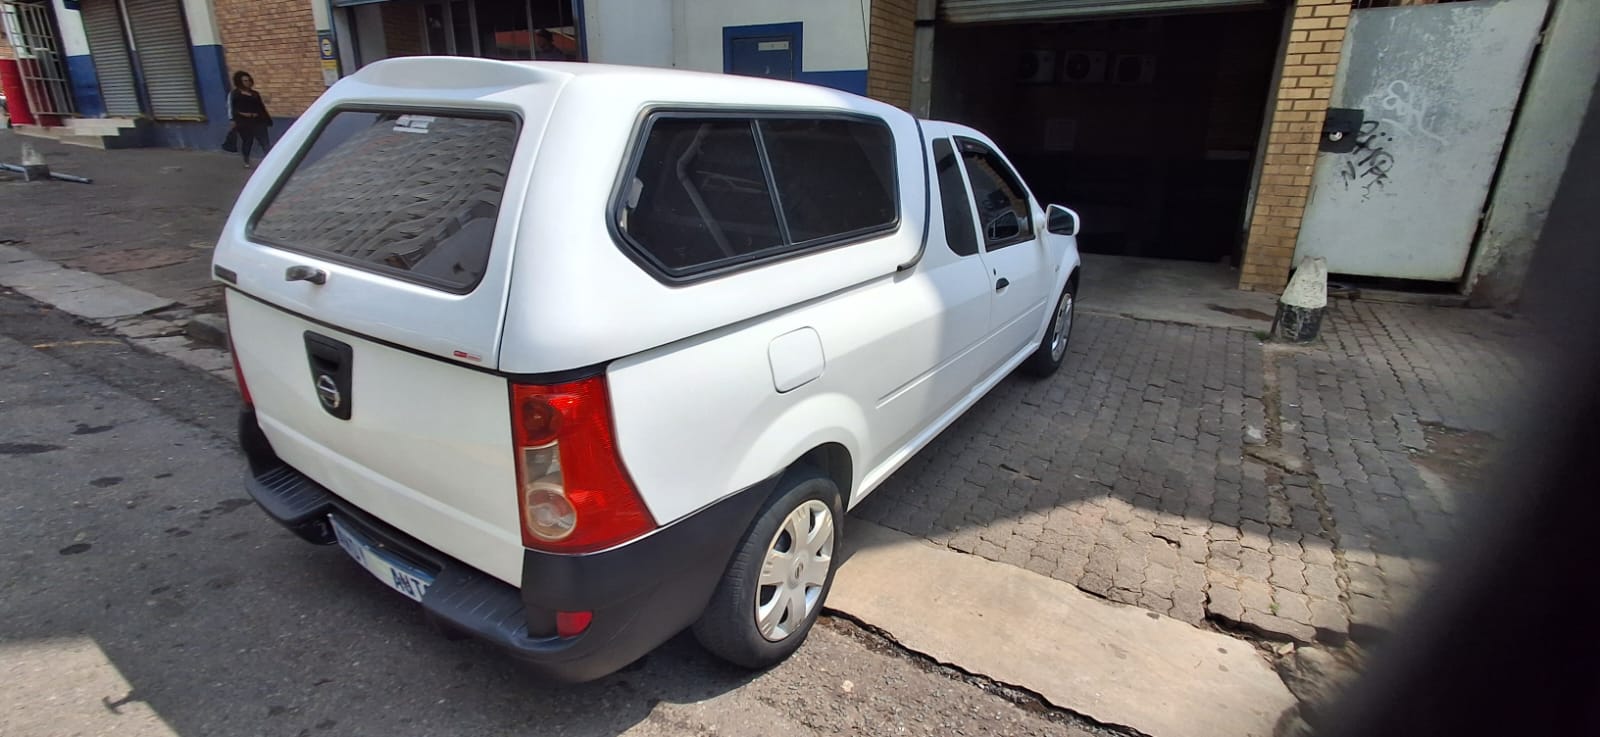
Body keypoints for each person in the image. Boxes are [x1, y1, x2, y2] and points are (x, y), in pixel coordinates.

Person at [228, 71, 272, 169]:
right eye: (244, 81)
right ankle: (246, 160)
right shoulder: (235, 94)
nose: (247, 82)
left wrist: (267, 119)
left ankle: (270, 160)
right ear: (239, 82)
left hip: (258, 121)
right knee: (247, 141)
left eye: (248, 80)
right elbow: (232, 109)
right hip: (244, 123)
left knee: (265, 141)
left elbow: (261, 107)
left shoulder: (255, 94)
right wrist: (234, 119)